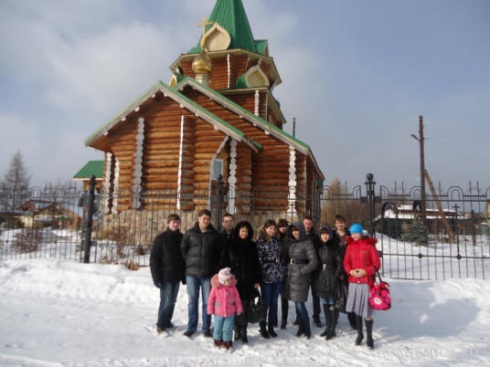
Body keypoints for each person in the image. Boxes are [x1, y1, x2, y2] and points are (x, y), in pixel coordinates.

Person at [181, 209, 222, 338]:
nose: (206, 221)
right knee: (192, 301)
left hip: (208, 275)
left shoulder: (214, 235)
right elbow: (183, 250)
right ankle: (191, 327)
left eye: (208, 219)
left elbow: (218, 254)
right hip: (192, 274)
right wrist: (189, 263)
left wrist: (215, 270)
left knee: (207, 303)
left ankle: (206, 328)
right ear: (199, 218)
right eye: (204, 218)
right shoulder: (190, 234)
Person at [343, 223, 381, 349]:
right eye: (352, 233)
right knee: (357, 311)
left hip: (367, 283)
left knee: (367, 312)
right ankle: (360, 334)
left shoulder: (370, 246)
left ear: (361, 233)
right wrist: (350, 271)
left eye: (356, 232)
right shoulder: (350, 246)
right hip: (354, 282)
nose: (354, 235)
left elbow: (376, 264)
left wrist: (365, 271)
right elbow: (346, 262)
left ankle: (369, 336)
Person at [225, 220, 261, 343]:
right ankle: (236, 330)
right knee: (235, 307)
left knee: (245, 307)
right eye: (242, 231)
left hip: (248, 282)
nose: (244, 233)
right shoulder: (231, 244)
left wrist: (257, 280)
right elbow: (225, 262)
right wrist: (225, 278)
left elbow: (257, 264)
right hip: (234, 282)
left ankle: (244, 331)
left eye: (246, 231)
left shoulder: (252, 245)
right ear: (238, 231)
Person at [149, 214, 186, 335]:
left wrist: (184, 275)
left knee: (173, 300)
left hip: (177, 275)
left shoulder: (182, 238)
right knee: (165, 300)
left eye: (177, 222)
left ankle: (167, 321)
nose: (175, 224)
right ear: (168, 223)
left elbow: (184, 257)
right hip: (165, 276)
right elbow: (154, 259)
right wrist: (156, 277)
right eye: (173, 222)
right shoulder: (161, 239)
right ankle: (160, 323)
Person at [286, 221, 318, 339]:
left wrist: (301, 271)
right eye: (293, 230)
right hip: (292, 275)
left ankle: (307, 328)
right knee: (296, 303)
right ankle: (301, 328)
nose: (295, 232)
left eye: (297, 230)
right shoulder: (292, 243)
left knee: (300, 304)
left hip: (301, 277)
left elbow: (314, 262)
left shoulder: (307, 243)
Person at [256, 219, 286, 338]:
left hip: (278, 276)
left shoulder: (277, 242)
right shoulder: (260, 242)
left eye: (274, 229)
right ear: (265, 229)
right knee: (266, 302)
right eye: (270, 229)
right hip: (266, 276)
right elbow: (258, 260)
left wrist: (282, 269)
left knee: (274, 303)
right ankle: (262, 326)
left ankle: (271, 327)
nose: (272, 231)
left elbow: (281, 257)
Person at [315, 226, 343, 340]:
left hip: (331, 277)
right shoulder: (319, 247)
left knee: (332, 304)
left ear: (330, 235)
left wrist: (335, 276)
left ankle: (332, 328)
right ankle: (327, 326)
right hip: (322, 278)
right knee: (325, 304)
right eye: (322, 234)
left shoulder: (334, 247)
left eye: (326, 234)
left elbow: (339, 264)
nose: (324, 236)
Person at [207, 267, 243, 350]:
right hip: (218, 312)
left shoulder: (233, 288)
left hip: (230, 313)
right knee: (218, 327)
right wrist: (210, 309)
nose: (230, 281)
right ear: (222, 281)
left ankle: (227, 341)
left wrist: (238, 309)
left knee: (228, 328)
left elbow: (237, 299)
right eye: (228, 280)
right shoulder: (216, 288)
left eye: (230, 279)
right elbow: (211, 299)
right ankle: (217, 339)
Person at [332, 214, 356, 329]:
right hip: (336, 269)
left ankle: (352, 319)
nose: (339, 224)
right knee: (337, 295)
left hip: (349, 269)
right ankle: (334, 320)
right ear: (335, 224)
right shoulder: (332, 235)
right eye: (337, 222)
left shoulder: (350, 236)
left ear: (345, 223)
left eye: (341, 222)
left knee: (350, 295)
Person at [303, 215, 322, 327]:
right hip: (303, 269)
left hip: (314, 270)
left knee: (316, 295)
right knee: (301, 295)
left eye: (309, 223)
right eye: (306, 223)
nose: (307, 226)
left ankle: (316, 316)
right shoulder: (298, 236)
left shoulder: (316, 237)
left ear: (312, 225)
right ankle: (299, 315)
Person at [277, 218, 290, 329]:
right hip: (276, 271)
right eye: (281, 226)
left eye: (285, 226)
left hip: (286, 270)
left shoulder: (289, 238)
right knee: (274, 297)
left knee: (284, 297)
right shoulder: (275, 238)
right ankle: (274, 319)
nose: (283, 228)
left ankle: (284, 319)